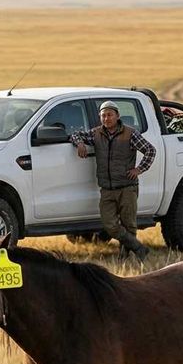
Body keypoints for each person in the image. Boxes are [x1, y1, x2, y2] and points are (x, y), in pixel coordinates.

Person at [70, 100, 156, 261]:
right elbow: (75, 134)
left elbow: (150, 150)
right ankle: (138, 247)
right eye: (103, 115)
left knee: (129, 224)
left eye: (109, 115)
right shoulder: (96, 133)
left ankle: (124, 257)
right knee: (109, 224)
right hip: (107, 189)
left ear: (117, 116)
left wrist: (139, 169)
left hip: (127, 187)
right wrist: (80, 143)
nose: (106, 118)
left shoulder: (130, 134)